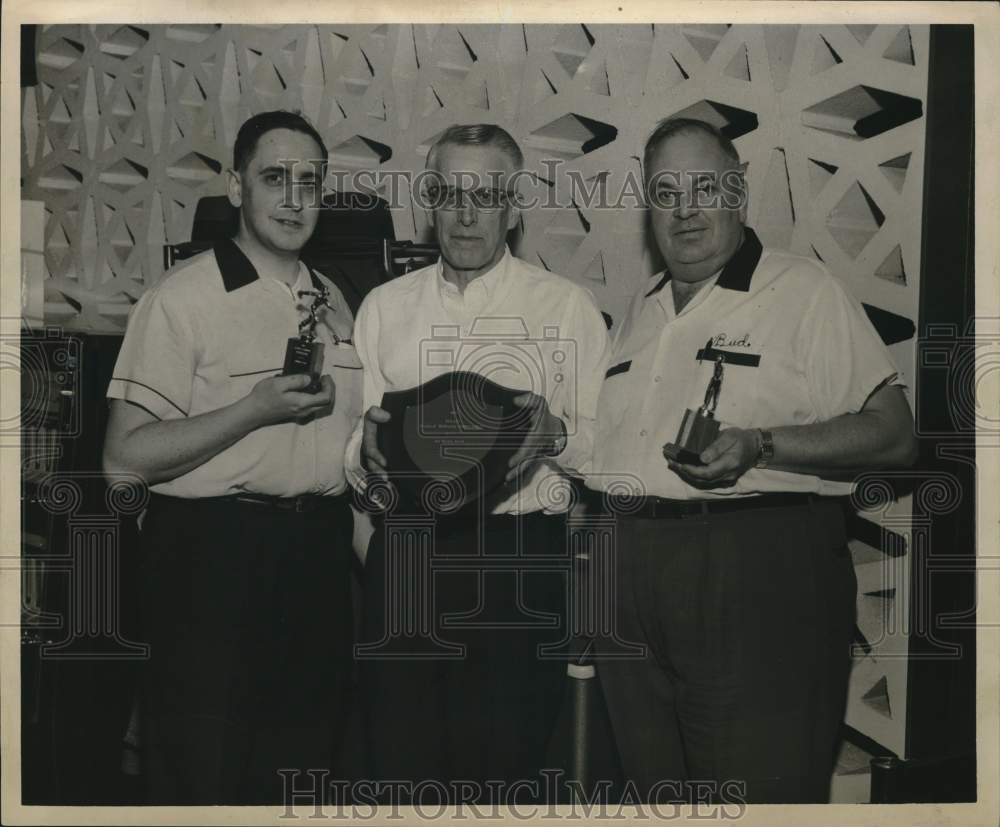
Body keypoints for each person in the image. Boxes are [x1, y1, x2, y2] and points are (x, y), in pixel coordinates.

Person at [587, 118, 918, 804]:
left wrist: (763, 444)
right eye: (665, 191)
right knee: (657, 798)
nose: (684, 209)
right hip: (630, 572)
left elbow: (893, 433)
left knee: (758, 795)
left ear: (738, 193)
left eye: (704, 186)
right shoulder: (639, 310)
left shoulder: (803, 291)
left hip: (756, 566)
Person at [345, 124, 611, 804]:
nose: (466, 214)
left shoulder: (566, 308)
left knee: (502, 771)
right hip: (404, 555)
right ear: (428, 202)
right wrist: (365, 454)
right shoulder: (382, 308)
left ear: (514, 208)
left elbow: (606, 448)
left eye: (486, 195)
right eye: (449, 193)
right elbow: (359, 436)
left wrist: (554, 435)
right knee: (397, 768)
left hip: (516, 563)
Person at [103, 110, 362, 804]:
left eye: (310, 180)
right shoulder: (181, 298)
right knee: (204, 775)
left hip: (316, 557)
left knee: (298, 773)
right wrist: (254, 408)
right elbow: (124, 459)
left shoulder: (334, 299)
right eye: (275, 177)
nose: (294, 197)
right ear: (236, 185)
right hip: (211, 561)